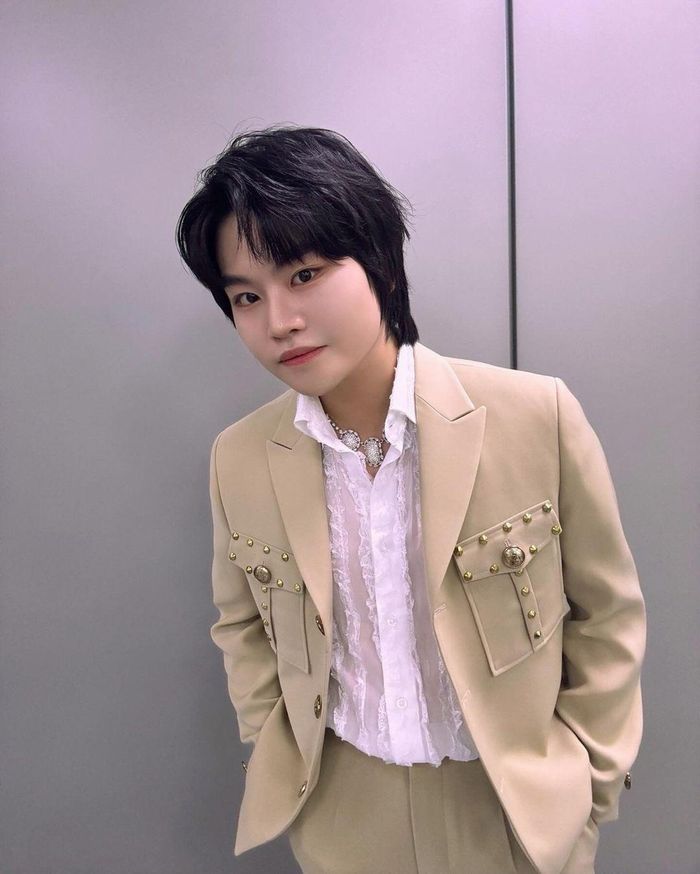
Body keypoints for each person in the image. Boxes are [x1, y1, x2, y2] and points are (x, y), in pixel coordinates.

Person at [175, 125, 646, 874]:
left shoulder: (535, 417)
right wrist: (277, 750)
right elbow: (243, 628)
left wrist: (587, 784)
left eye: (305, 274)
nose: (279, 321)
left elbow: (608, 613)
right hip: (343, 817)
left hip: (513, 812)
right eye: (246, 296)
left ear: (381, 264)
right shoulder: (239, 458)